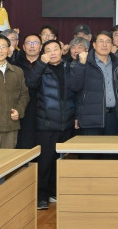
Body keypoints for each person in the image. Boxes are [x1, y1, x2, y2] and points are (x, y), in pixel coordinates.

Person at [24, 40, 76, 210]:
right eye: (48, 50)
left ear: (62, 51)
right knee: (44, 162)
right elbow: (31, 83)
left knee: (60, 162)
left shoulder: (69, 68)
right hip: (47, 124)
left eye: (56, 49)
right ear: (43, 53)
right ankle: (41, 195)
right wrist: (41, 64)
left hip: (67, 123)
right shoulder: (40, 68)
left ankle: (55, 191)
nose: (53, 53)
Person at [68, 31, 118, 138]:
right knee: (90, 149)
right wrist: (81, 64)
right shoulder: (84, 62)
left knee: (111, 149)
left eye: (108, 42)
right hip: (90, 118)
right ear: (94, 45)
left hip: (112, 117)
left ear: (112, 45)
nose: (104, 45)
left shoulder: (116, 63)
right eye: (101, 41)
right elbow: (74, 86)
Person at [12, 34, 42, 150]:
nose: (32, 46)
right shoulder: (14, 66)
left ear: (41, 47)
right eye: (28, 43)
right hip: (22, 112)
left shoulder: (47, 65)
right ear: (23, 47)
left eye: (35, 43)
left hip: (42, 112)